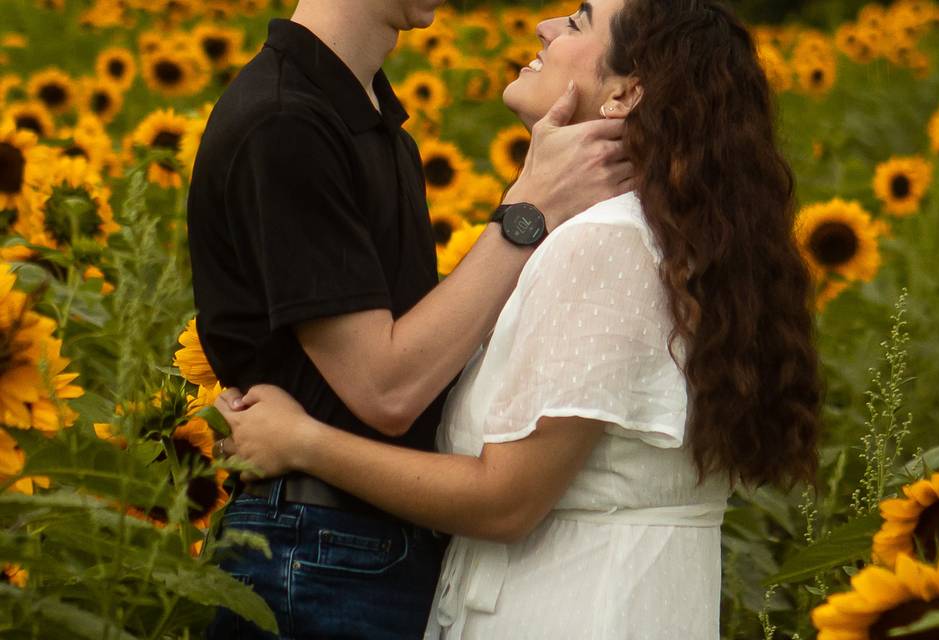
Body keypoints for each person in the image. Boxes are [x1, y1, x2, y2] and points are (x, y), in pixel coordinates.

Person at [217, 0, 823, 637]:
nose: (545, 25)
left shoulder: (606, 245)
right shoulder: (657, 237)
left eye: (580, 20)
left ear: (626, 93)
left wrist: (304, 441)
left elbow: (506, 499)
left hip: (570, 606)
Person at [187, 0, 632, 638]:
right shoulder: (288, 120)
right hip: (316, 548)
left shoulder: (362, 114)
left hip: (356, 540)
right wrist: (527, 210)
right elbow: (385, 387)